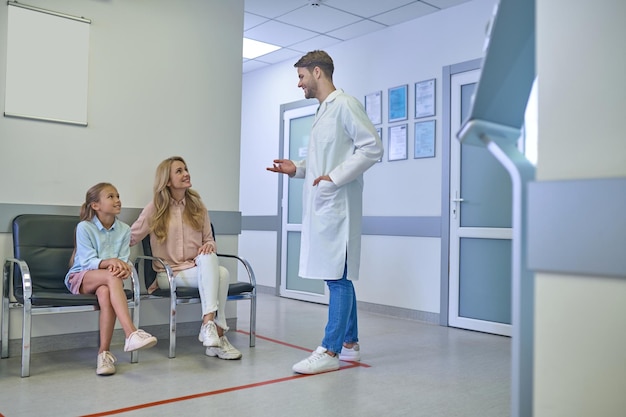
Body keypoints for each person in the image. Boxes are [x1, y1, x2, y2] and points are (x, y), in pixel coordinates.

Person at [267, 50, 383, 374]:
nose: (299, 83)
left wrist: (335, 177)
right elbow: (325, 163)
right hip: (327, 206)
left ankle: (330, 350)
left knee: (337, 278)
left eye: (301, 76)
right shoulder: (323, 111)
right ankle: (350, 343)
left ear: (317, 72)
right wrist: (298, 169)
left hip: (339, 207)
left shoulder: (345, 105)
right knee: (338, 277)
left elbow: (373, 147)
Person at [130, 156, 242, 360]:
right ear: (167, 180)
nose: (186, 174)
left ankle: (210, 328)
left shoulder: (198, 206)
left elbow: (209, 239)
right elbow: (132, 236)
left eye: (186, 169)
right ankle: (216, 332)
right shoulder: (155, 208)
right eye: (179, 171)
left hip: (196, 268)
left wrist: (209, 244)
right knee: (221, 273)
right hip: (168, 274)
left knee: (217, 266)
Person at [65, 183, 158, 376]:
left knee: (106, 291)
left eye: (118, 196)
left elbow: (124, 260)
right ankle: (130, 332)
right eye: (111, 197)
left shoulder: (124, 230)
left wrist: (124, 268)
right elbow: (88, 261)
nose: (117, 200)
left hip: (108, 281)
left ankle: (104, 355)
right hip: (81, 277)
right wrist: (112, 263)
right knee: (111, 276)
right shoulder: (84, 227)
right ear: (95, 205)